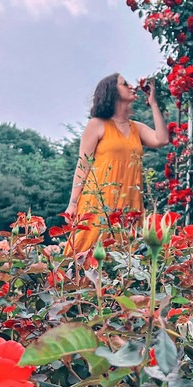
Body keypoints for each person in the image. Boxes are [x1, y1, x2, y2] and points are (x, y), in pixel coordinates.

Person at [64, 73, 170, 255]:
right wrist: (73, 203)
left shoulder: (136, 128)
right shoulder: (97, 125)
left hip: (130, 201)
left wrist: (154, 104)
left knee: (125, 256)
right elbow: (83, 165)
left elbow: (161, 139)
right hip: (99, 200)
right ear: (112, 92)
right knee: (87, 251)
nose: (131, 86)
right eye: (125, 84)